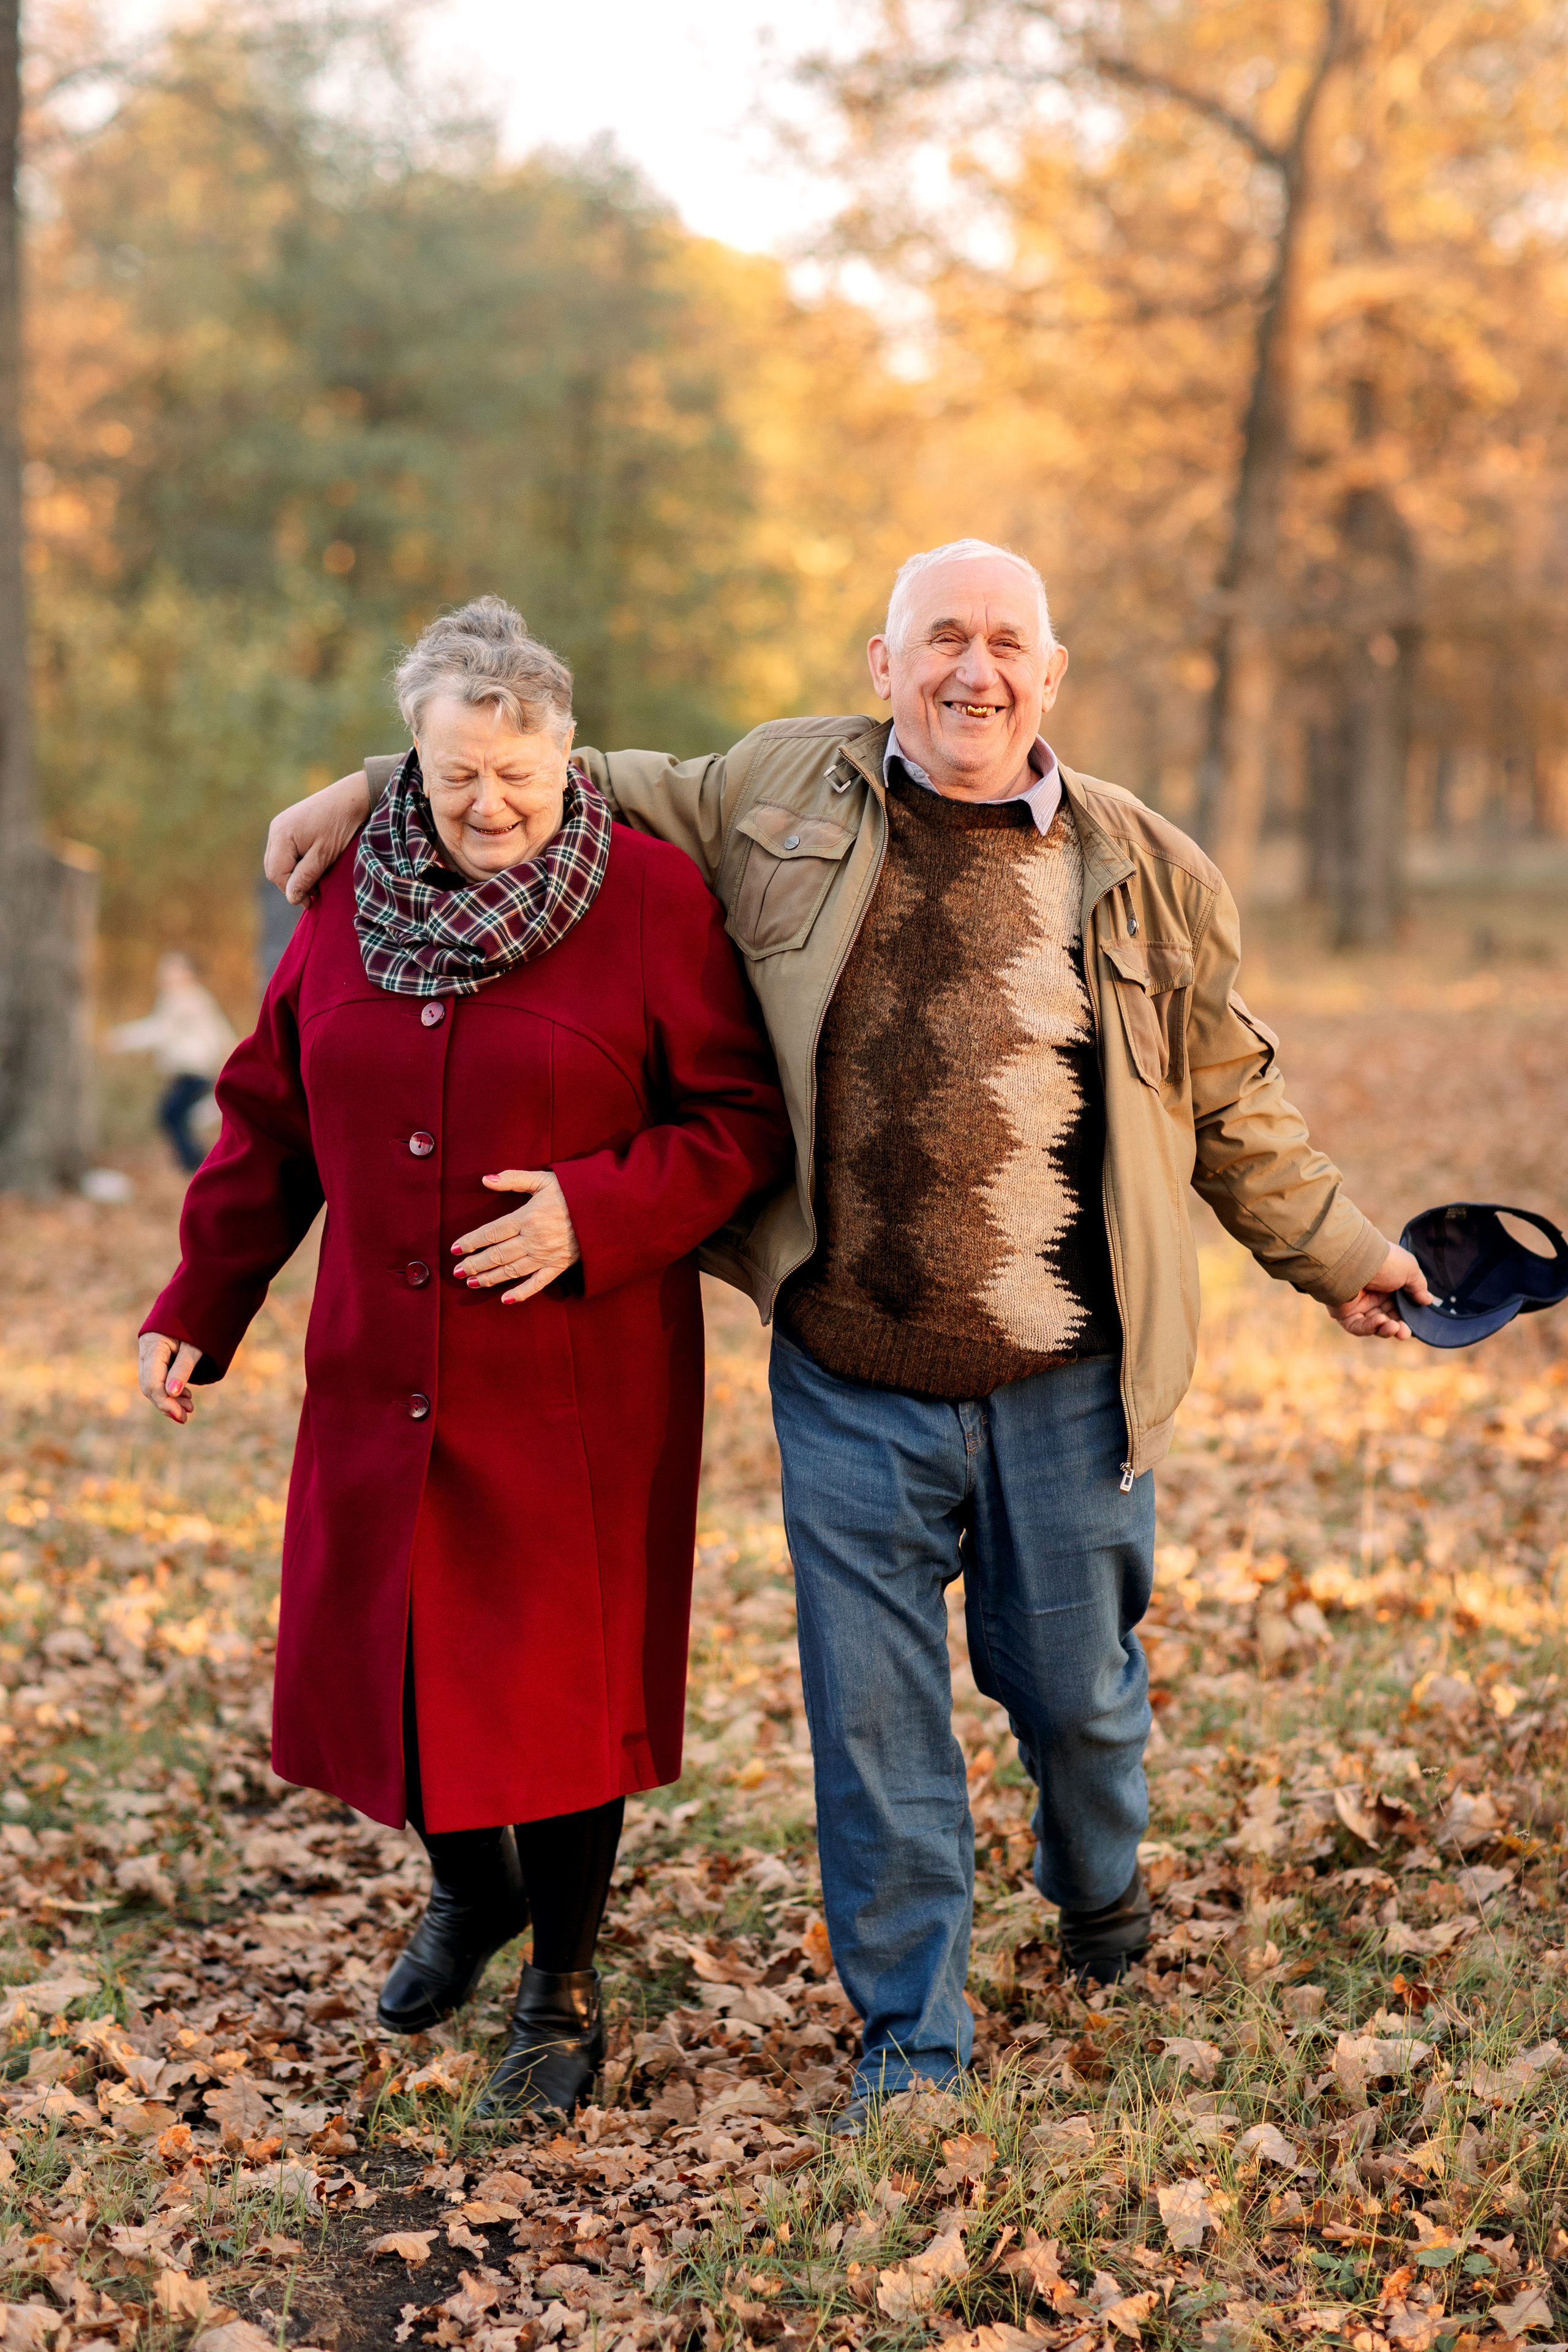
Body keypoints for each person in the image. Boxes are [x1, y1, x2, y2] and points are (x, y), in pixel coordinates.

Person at [265, 541, 1432, 2128]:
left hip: (1067, 1376)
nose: (974, 671)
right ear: (883, 668)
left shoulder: (1153, 868)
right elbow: (537, 764)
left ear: (1052, 672)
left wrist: (1347, 1257)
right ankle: (914, 2039)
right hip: (852, 1366)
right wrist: (370, 785)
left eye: (1005, 643)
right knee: (876, 1726)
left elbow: (1235, 1098)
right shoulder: (772, 795)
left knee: (1072, 1691)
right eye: (939, 640)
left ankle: (1096, 1880)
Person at [139, 598, 790, 2118]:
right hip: (380, 1367)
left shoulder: (645, 896)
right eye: (455, 780)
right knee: (403, 1659)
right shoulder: (342, 901)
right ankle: (466, 1890)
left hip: (574, 1380)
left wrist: (596, 1207)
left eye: (520, 776)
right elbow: (270, 1115)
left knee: (554, 1692)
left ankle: (560, 1985)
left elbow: (737, 1124)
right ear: (405, 775)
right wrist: (199, 1300)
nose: (490, 805)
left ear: (568, 761)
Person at [109, 951, 237, 1173]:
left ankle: (197, 1163)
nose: (163, 975)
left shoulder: (185, 998)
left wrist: (121, 1039)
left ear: (187, 973)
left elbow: (158, 1030)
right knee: (177, 1116)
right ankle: (198, 1162)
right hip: (191, 1073)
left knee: (172, 1115)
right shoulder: (194, 998)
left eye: (171, 969)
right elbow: (220, 1031)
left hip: (194, 1072)